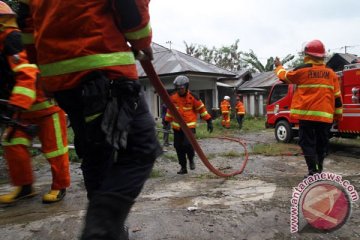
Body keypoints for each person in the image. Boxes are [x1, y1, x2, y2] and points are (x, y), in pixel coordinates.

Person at [17, 0, 162, 239]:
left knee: (97, 154)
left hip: (61, 80)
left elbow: (26, 20)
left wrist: (41, 63)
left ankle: (111, 231)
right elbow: (131, 7)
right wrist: (141, 42)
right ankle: (102, 229)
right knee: (141, 149)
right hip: (104, 69)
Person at [0, 1, 70, 205]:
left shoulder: (13, 39)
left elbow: (27, 73)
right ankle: (24, 187)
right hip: (22, 110)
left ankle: (60, 186)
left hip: (46, 107)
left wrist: (17, 103)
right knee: (13, 143)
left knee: (55, 149)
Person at [274, 39, 343, 177]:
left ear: (307, 55)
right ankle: (319, 169)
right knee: (321, 144)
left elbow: (284, 76)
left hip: (307, 117)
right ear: (322, 56)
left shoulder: (302, 71)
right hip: (325, 118)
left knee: (307, 143)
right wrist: (338, 116)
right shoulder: (331, 74)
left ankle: (313, 171)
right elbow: (337, 98)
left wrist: (279, 66)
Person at [165, 75, 213, 174]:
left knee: (187, 145)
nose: (179, 90)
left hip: (189, 127)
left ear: (186, 87)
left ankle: (191, 159)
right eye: (178, 88)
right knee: (178, 147)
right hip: (177, 128)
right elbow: (170, 111)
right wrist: (166, 121)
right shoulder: (173, 97)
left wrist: (209, 120)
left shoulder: (193, 97)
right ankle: (183, 167)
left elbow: (202, 110)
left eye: (181, 88)